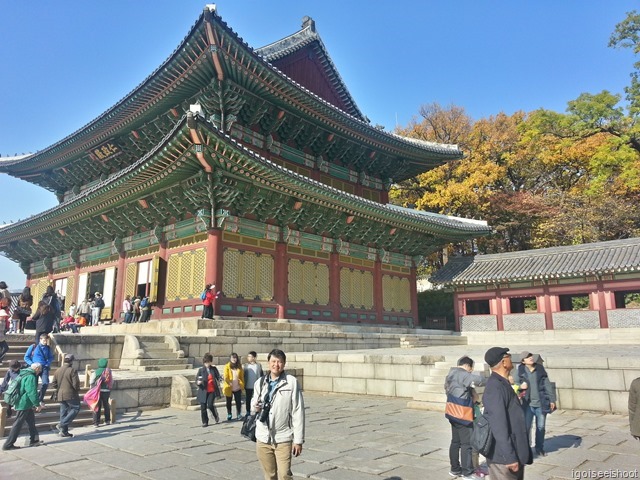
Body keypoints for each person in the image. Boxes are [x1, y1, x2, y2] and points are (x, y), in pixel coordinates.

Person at [251, 348, 305, 480]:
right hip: (263, 437)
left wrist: (298, 440)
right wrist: (256, 407)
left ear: (284, 364)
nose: (276, 365)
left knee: (284, 474)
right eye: (273, 361)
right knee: (269, 475)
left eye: (279, 362)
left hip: (283, 437)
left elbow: (298, 411)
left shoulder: (291, 382)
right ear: (268, 363)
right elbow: (253, 406)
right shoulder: (260, 383)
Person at [483, 347, 532, 480]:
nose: (512, 358)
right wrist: (509, 457)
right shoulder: (495, 387)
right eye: (508, 356)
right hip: (503, 458)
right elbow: (498, 425)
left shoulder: (503, 383)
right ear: (504, 362)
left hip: (514, 450)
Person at [444, 356, 485, 479]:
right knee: (467, 444)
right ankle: (467, 472)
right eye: (471, 369)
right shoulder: (463, 374)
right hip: (462, 413)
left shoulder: (450, 374)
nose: (471, 371)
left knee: (455, 441)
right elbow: (479, 380)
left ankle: (455, 469)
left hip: (452, 411)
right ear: (468, 366)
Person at [516, 351, 556, 457]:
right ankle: (527, 449)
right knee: (526, 427)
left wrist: (552, 399)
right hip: (527, 404)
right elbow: (515, 384)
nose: (530, 358)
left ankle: (539, 448)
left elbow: (547, 384)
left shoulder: (540, 369)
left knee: (541, 427)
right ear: (523, 361)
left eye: (530, 356)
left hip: (541, 403)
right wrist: (520, 386)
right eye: (527, 357)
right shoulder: (520, 371)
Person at [2, 362, 44, 450]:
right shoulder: (31, 376)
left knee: (31, 423)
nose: (40, 372)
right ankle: (8, 444)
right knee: (17, 424)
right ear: (36, 369)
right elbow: (31, 392)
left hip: (25, 403)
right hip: (24, 403)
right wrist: (37, 404)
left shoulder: (24, 373)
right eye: (39, 370)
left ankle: (34, 440)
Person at [50, 353, 81, 438]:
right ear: (71, 361)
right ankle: (62, 424)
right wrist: (77, 390)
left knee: (63, 412)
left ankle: (64, 432)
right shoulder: (72, 370)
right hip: (70, 394)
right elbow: (76, 384)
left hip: (60, 394)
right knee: (76, 408)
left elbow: (53, 384)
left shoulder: (58, 370)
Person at [24, 333, 55, 402]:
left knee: (45, 383)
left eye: (46, 340)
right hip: (34, 368)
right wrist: (31, 364)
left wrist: (47, 363)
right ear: (40, 340)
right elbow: (26, 357)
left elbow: (51, 357)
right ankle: (32, 399)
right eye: (44, 340)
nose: (45, 342)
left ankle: (40, 398)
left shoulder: (48, 348)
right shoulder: (33, 347)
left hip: (44, 367)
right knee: (34, 384)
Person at [196, 353, 221, 427]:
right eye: (206, 362)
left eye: (208, 362)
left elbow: (218, 377)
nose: (207, 364)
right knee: (203, 407)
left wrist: (221, 379)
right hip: (203, 390)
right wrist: (198, 382)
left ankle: (215, 415)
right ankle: (205, 421)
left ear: (211, 362)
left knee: (210, 405)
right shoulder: (201, 370)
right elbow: (197, 380)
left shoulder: (213, 369)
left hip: (212, 390)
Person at [90, 357, 114, 426]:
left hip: (97, 391)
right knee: (106, 405)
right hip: (106, 391)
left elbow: (91, 381)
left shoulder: (96, 372)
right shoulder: (109, 371)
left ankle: (96, 422)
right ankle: (107, 420)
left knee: (97, 406)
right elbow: (112, 381)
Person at [223, 352, 245, 421]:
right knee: (228, 402)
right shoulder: (227, 366)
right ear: (230, 358)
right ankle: (229, 413)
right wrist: (229, 382)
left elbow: (241, 376)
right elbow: (225, 376)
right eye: (233, 358)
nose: (234, 359)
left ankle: (239, 414)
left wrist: (242, 384)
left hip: (237, 386)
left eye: (235, 358)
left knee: (238, 401)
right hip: (229, 387)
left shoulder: (239, 366)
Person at [244, 351, 264, 415]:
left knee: (257, 399)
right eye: (248, 356)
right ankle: (248, 411)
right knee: (248, 399)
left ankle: (257, 411)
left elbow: (261, 374)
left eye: (250, 356)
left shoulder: (258, 365)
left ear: (254, 357)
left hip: (256, 386)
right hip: (248, 385)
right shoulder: (246, 366)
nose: (248, 358)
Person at [629, 376, 640, 441]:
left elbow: (632, 408)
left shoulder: (636, 383)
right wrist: (633, 427)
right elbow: (632, 408)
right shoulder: (636, 383)